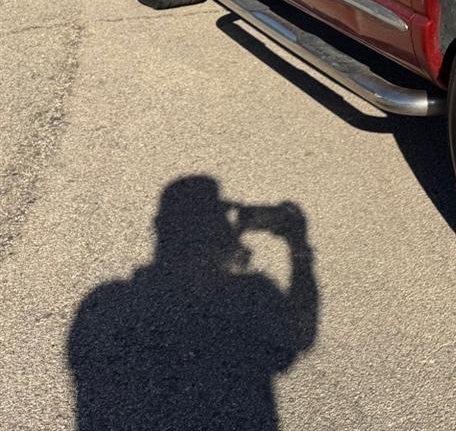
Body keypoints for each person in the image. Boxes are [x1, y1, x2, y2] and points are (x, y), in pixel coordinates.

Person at [67, 175, 317, 430]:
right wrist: (299, 249)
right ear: (222, 234)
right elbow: (301, 334)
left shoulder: (105, 306)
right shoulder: (248, 298)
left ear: (160, 229)